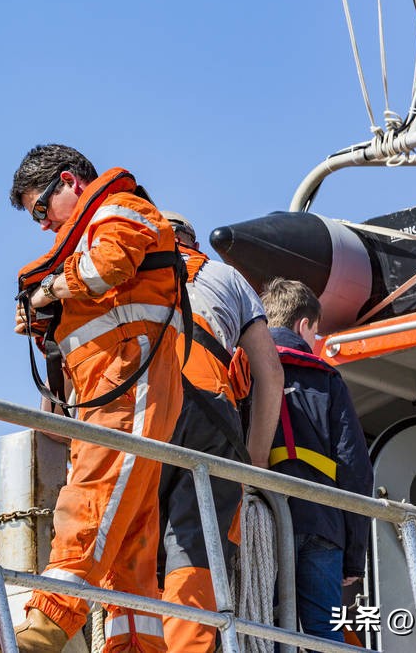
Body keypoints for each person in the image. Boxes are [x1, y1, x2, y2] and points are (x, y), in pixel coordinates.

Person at [0, 144, 186, 653]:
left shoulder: (118, 209)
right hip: (109, 388)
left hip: (129, 381)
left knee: (90, 501)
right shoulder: (90, 231)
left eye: (41, 209)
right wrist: (46, 326)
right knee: (129, 532)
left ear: (71, 182)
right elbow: (102, 299)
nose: (42, 226)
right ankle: (136, 646)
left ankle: (45, 628)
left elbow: (108, 264)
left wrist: (48, 292)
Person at [156, 211, 283, 653]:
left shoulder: (120, 278)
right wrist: (256, 463)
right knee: (195, 542)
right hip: (208, 414)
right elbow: (270, 375)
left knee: (129, 539)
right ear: (193, 242)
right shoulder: (222, 276)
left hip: (134, 416)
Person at [260, 277, 372, 644]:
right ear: (303, 324)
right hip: (324, 522)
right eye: (317, 333)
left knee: (270, 627)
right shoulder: (327, 380)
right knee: (324, 630)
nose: (317, 342)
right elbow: (354, 468)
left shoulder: (243, 369)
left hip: (265, 520)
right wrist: (355, 557)